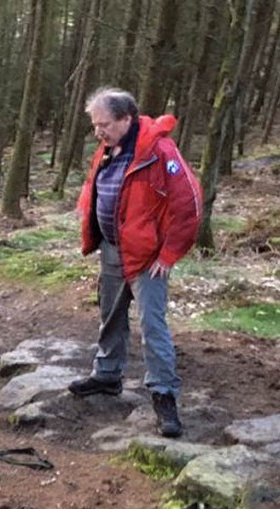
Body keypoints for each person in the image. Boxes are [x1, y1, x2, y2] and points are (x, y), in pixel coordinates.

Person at [68, 88, 201, 438]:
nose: (98, 131)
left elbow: (188, 205)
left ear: (126, 119)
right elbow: (95, 186)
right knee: (109, 314)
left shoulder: (159, 151)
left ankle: (163, 395)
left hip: (147, 256)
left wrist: (169, 254)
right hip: (112, 248)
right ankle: (107, 374)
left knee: (152, 325)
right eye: (95, 125)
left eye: (104, 124)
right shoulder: (109, 147)